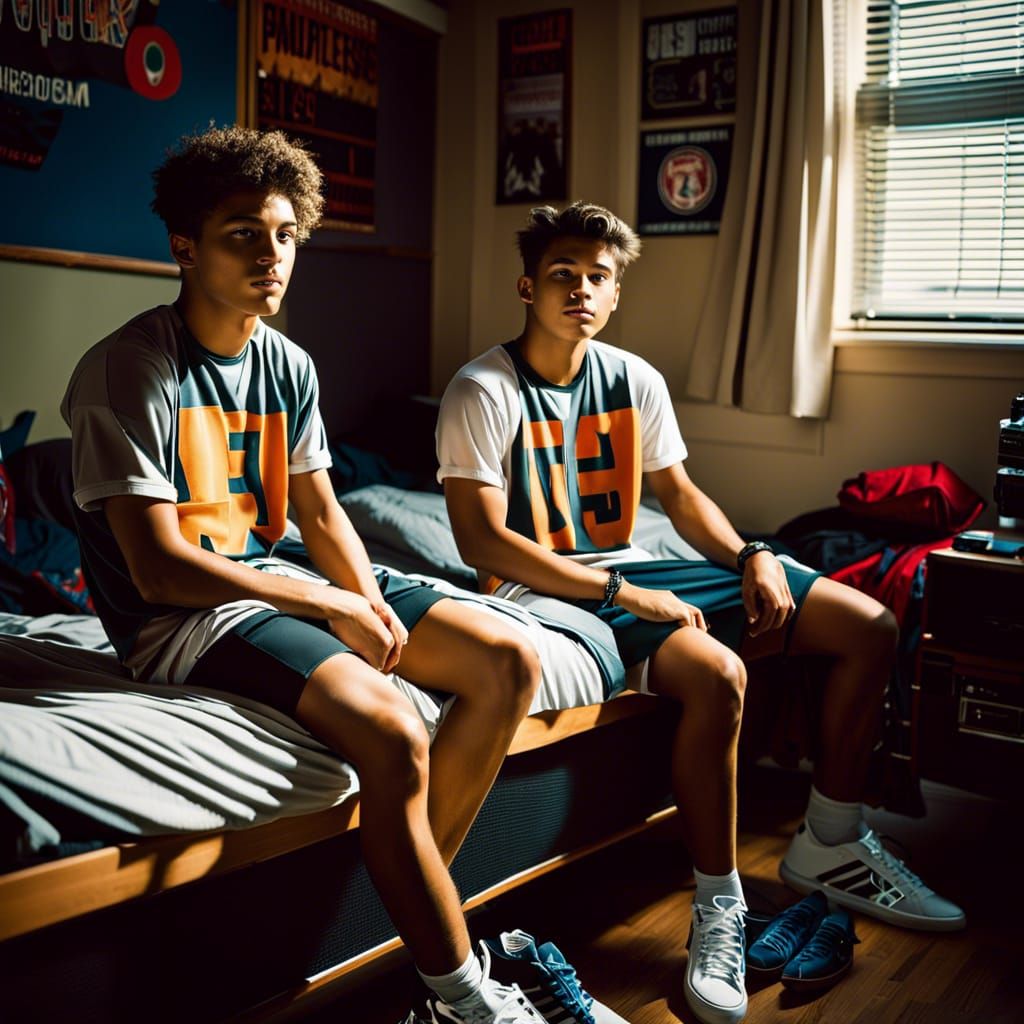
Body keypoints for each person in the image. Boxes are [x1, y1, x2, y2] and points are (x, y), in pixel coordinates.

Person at [60, 125, 550, 1024]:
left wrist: (363, 601)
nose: (272, 254)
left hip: (269, 580)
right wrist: (328, 601)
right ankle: (459, 992)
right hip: (185, 622)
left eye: (287, 234)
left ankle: (411, 916)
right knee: (395, 731)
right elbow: (162, 571)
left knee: (509, 660)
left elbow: (323, 514)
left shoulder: (287, 363)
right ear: (185, 246)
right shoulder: (129, 367)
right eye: (244, 232)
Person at [435, 201, 966, 1024]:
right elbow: (482, 542)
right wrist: (620, 593)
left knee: (869, 625)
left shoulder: (634, 379)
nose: (581, 288)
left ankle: (829, 838)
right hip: (545, 590)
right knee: (720, 670)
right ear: (528, 286)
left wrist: (752, 553)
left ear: (615, 295)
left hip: (631, 572)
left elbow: (678, 498)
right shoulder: (483, 388)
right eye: (563, 274)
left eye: (597, 277)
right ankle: (719, 906)